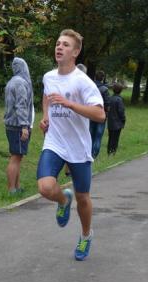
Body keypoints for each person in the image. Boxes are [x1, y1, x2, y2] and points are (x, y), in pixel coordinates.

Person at [37, 29, 105, 261]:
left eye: (65, 45)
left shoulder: (83, 82)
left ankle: (86, 235)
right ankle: (63, 200)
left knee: (84, 198)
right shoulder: (49, 77)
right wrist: (45, 116)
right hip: (55, 141)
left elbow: (99, 114)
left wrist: (69, 104)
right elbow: (47, 97)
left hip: (78, 147)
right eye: (58, 43)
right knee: (45, 187)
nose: (59, 47)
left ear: (75, 52)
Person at [4, 57, 34, 195]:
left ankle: (17, 186)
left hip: (12, 124)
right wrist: (24, 126)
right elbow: (21, 105)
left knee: (17, 156)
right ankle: (11, 189)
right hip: (17, 125)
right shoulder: (20, 83)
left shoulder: (12, 82)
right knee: (15, 157)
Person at [89, 70, 109, 159]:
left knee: (90, 134)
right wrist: (106, 114)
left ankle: (88, 153)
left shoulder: (89, 86)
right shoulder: (105, 89)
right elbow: (107, 103)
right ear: (103, 78)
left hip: (91, 113)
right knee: (98, 135)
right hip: (101, 114)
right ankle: (94, 154)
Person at [107, 83, 126, 155]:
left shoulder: (110, 98)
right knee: (115, 138)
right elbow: (121, 111)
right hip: (117, 123)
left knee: (110, 137)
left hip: (110, 122)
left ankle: (109, 151)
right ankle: (113, 151)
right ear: (121, 91)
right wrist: (123, 120)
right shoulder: (119, 100)